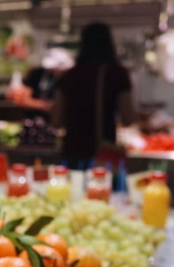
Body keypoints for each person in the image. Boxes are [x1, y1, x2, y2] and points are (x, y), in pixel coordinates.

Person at [52, 22, 134, 168]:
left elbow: (56, 120)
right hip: (102, 154)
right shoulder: (117, 74)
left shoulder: (68, 76)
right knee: (101, 190)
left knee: (71, 190)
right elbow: (128, 118)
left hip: (72, 152)